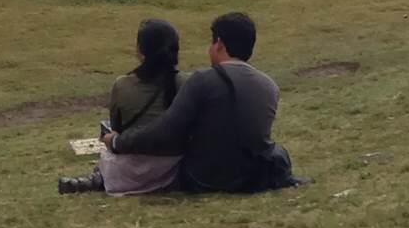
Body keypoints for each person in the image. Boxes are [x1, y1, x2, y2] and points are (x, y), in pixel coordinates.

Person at [105, 11, 299, 195]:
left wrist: (117, 141)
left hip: (205, 178)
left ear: (219, 45)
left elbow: (165, 129)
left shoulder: (203, 80)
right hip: (254, 177)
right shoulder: (270, 86)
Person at [60, 20, 186, 196]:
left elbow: (118, 128)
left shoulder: (122, 85)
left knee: (110, 149)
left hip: (130, 169)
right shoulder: (186, 83)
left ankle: (94, 180)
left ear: (141, 51)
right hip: (174, 168)